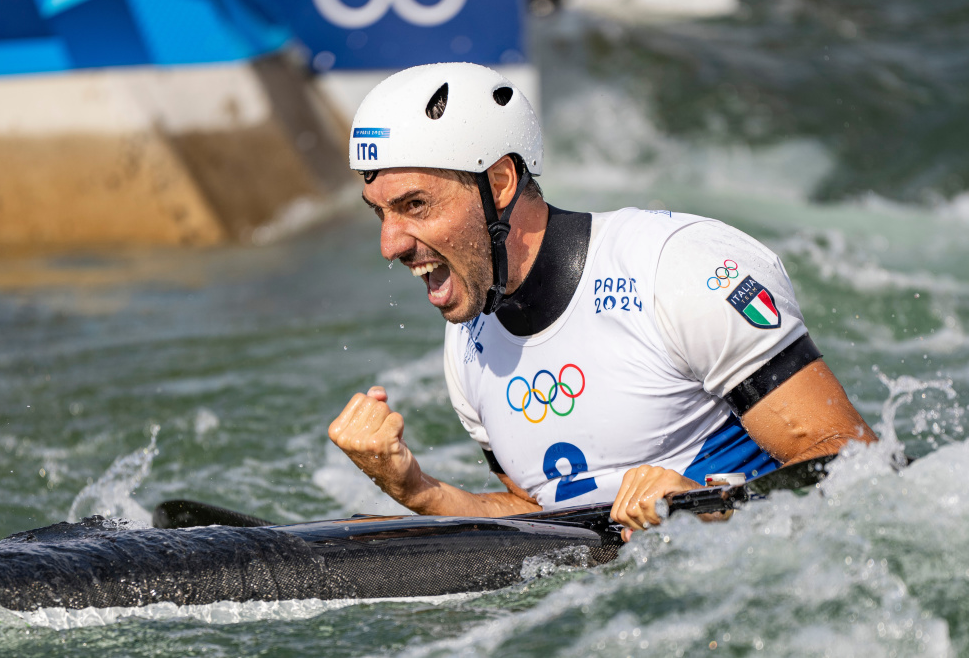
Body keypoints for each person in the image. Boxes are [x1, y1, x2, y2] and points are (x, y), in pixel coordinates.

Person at [329, 62, 876, 538]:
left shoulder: (679, 268)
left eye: (416, 206)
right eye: (380, 212)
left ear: (498, 182)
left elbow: (859, 469)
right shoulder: (466, 342)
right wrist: (418, 492)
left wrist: (706, 506)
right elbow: (539, 515)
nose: (390, 244)